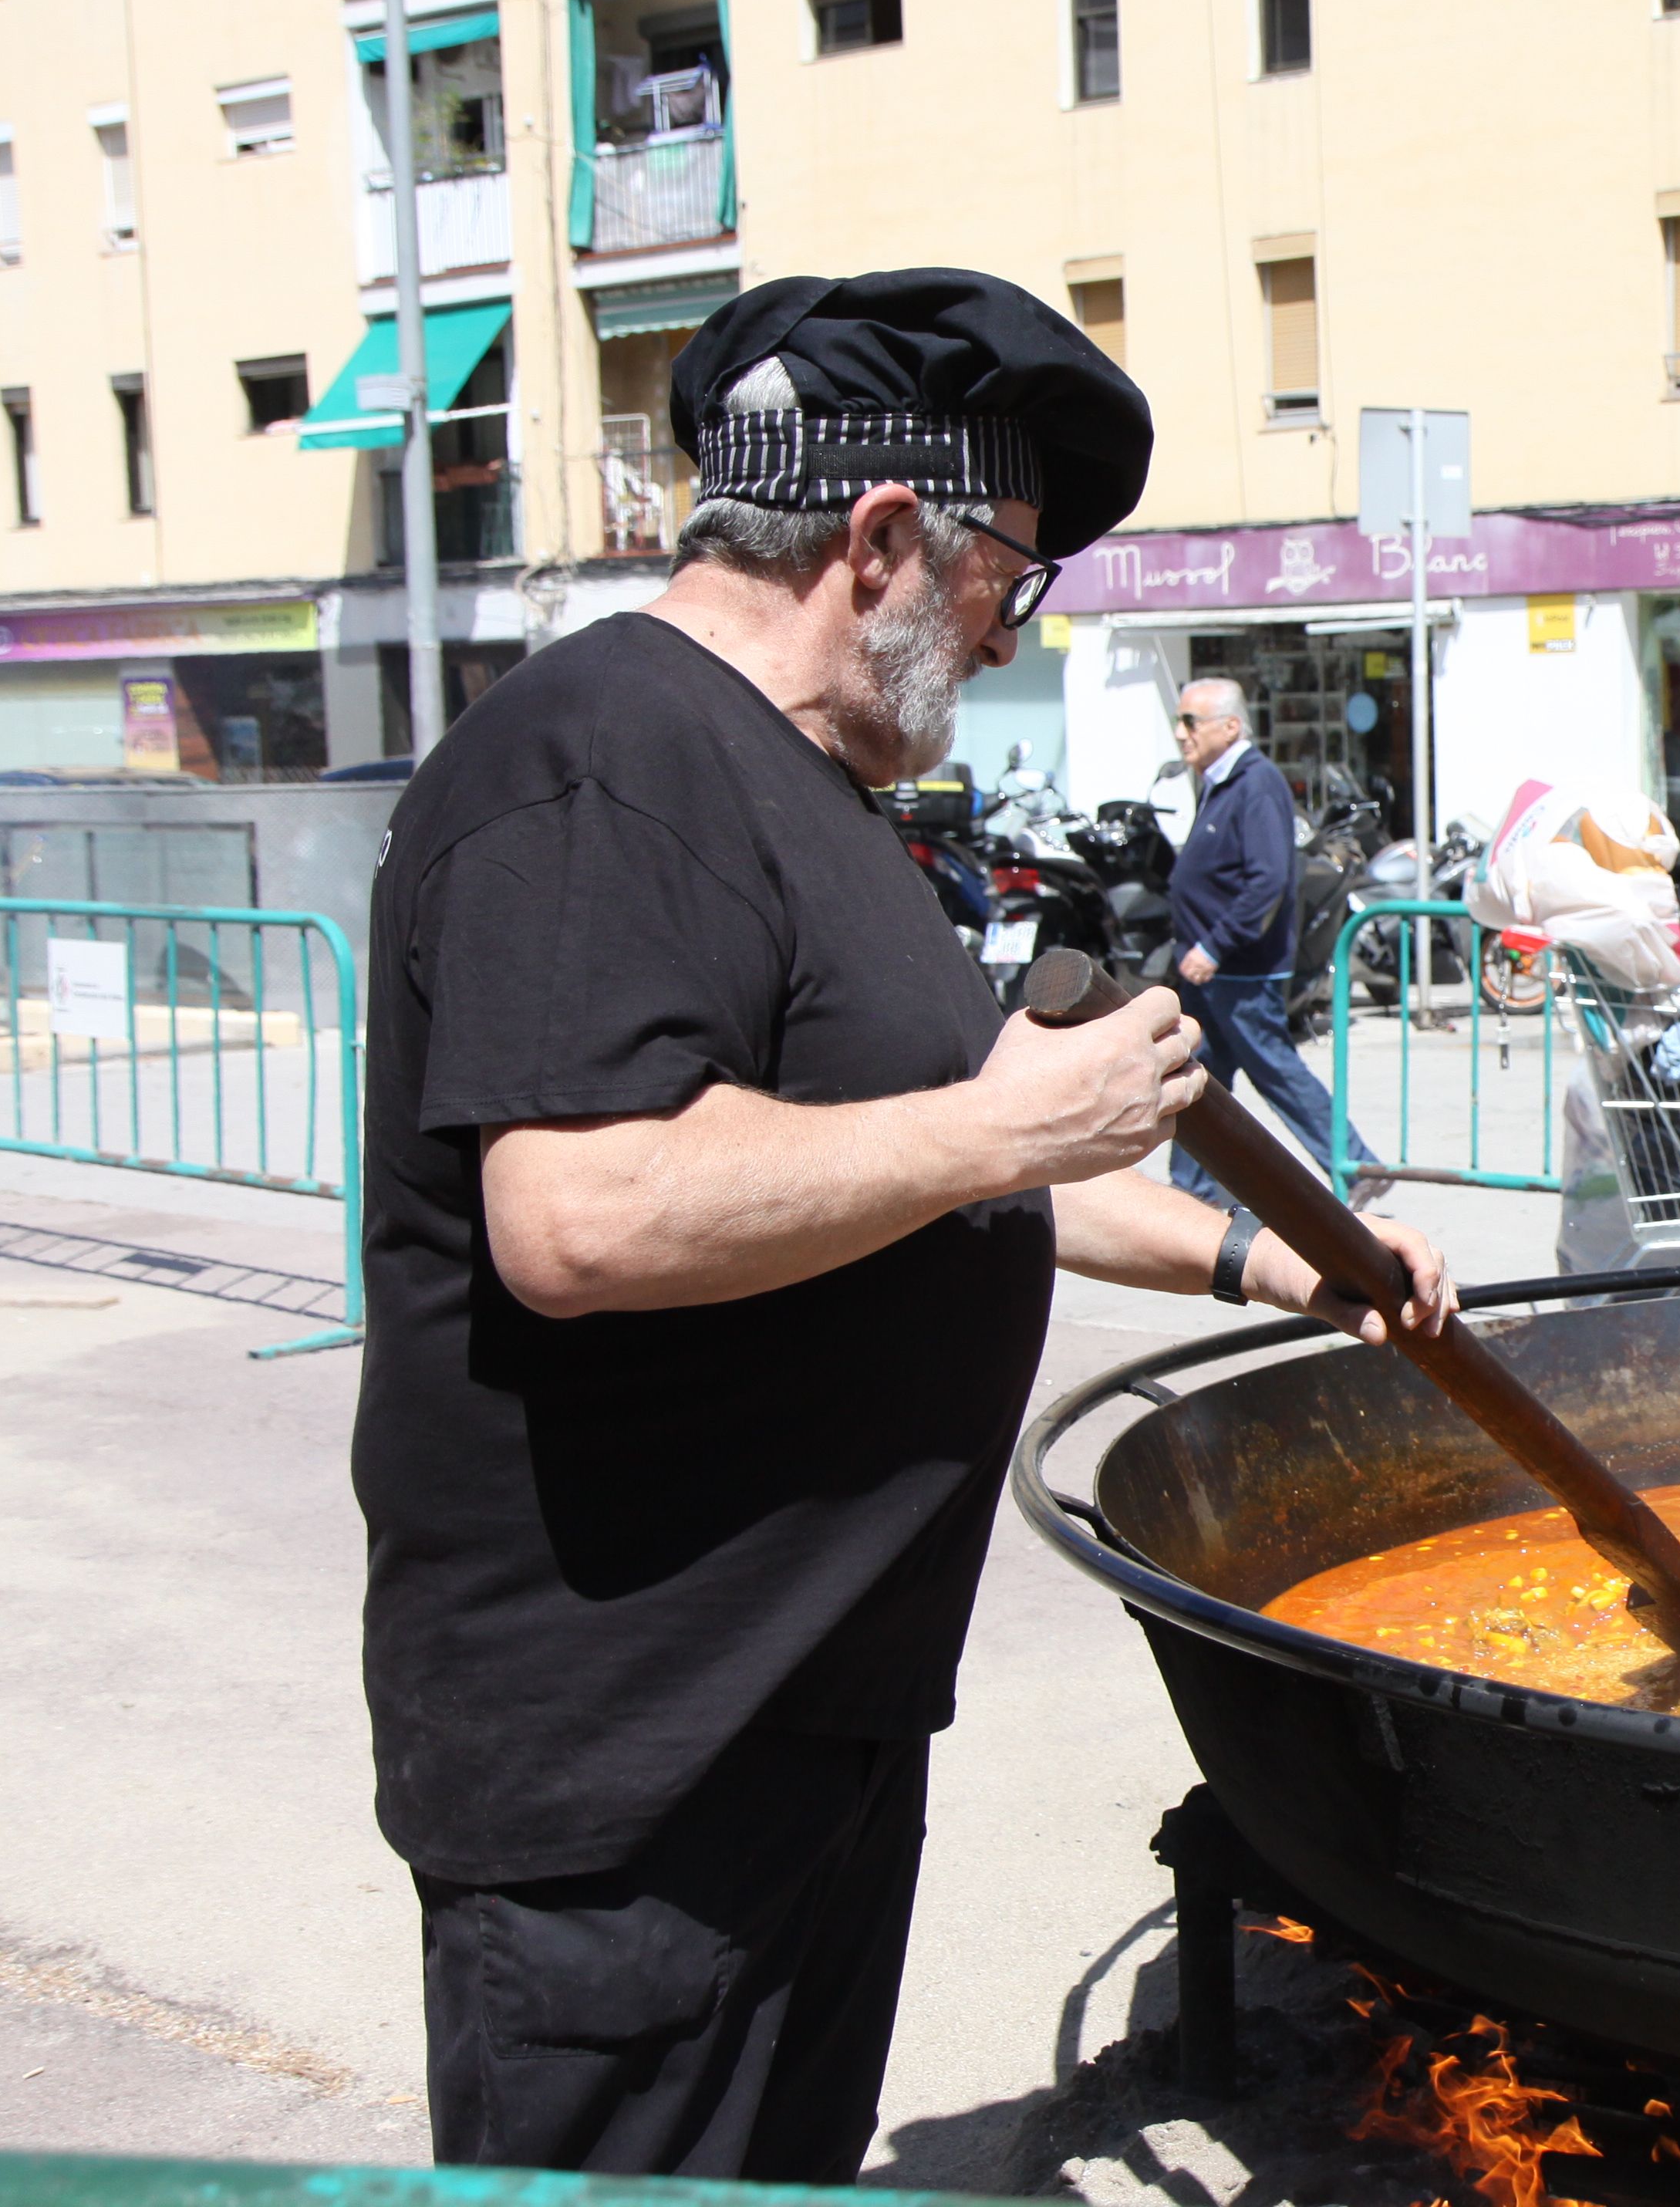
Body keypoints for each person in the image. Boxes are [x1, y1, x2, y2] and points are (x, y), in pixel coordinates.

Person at [353, 268, 1457, 2183]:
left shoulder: (810, 798)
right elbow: (582, 1209)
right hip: (632, 1772)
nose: (1008, 641)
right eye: (1005, 582)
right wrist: (985, 1126)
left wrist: (1280, 1261)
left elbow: (988, 1163)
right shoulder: (601, 758)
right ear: (877, 539)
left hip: (805, 1718)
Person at [1165, 675, 1388, 1210]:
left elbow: (1268, 880)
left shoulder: (1255, 783)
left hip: (1238, 968)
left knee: (1275, 1071)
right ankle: (1190, 1187)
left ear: (1230, 726)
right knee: (1199, 1079)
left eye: (1190, 722)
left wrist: (1216, 945)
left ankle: (1356, 1165)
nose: (1180, 734)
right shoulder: (1219, 782)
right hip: (1212, 970)